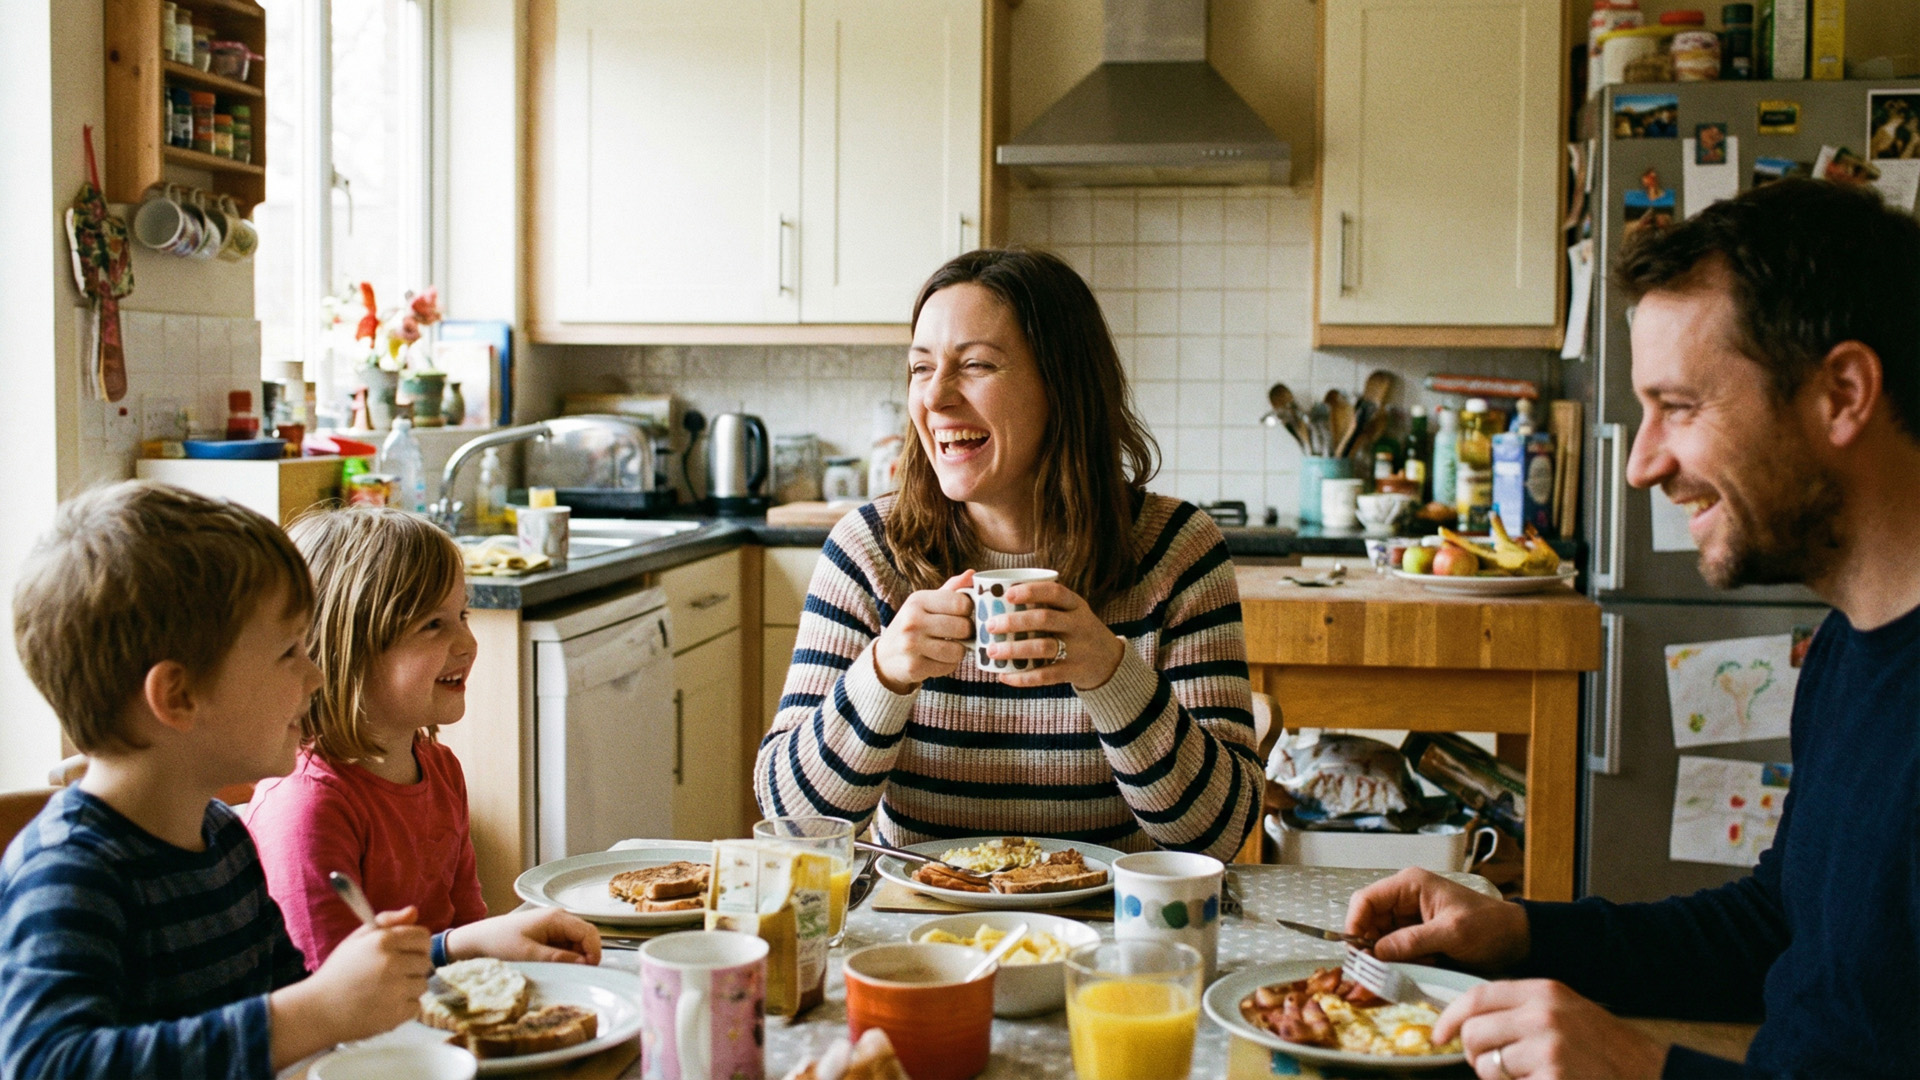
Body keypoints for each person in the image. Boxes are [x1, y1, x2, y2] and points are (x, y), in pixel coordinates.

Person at [1345, 179, 1920, 1078]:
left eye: (1680, 407)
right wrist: (1521, 932)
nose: (1643, 464)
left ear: (1842, 392)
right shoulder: (1852, 647)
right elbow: (1778, 926)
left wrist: (1642, 1071)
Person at [755, 249, 1262, 859]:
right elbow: (793, 826)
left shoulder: (1177, 550)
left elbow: (1221, 836)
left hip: (1112, 937)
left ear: (1063, 386)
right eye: (920, 368)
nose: (935, 398)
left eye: (975, 365)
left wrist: (1110, 671)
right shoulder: (868, 550)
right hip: (919, 940)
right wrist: (883, 673)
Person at [0, 482, 431, 1078]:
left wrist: (393, 970)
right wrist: (314, 1011)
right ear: (178, 697)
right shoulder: (69, 873)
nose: (314, 675)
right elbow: (46, 1064)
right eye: (288, 652)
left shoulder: (224, 838)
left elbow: (299, 1007)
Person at [246, 507, 600, 970]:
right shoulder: (307, 808)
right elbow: (331, 992)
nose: (468, 643)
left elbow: (469, 931)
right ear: (347, 650)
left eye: (463, 614)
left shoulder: (441, 769)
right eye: (433, 624)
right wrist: (465, 946)